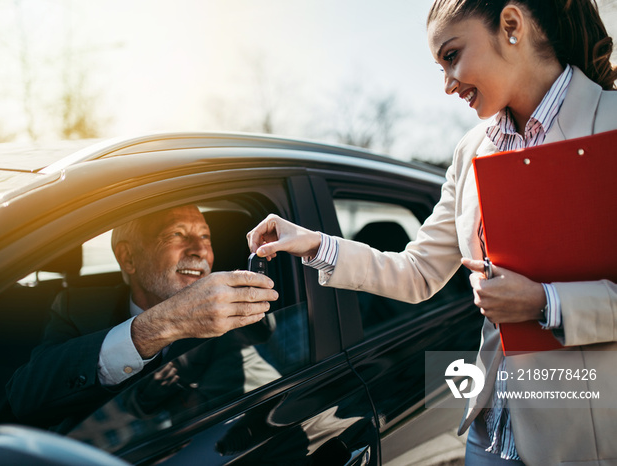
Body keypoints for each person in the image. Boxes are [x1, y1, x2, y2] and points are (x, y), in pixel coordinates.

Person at [246, 1, 617, 464]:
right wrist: (315, 243)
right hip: (490, 429)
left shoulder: (611, 124)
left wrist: (545, 303)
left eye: (452, 55)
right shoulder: (469, 153)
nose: (446, 84)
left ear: (511, 25)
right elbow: (417, 272)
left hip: (587, 438)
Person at [7, 205, 278, 431]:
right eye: (177, 234)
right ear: (128, 258)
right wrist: (160, 326)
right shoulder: (77, 308)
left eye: (206, 237)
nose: (200, 251)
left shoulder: (232, 313)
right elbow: (26, 400)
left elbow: (264, 404)